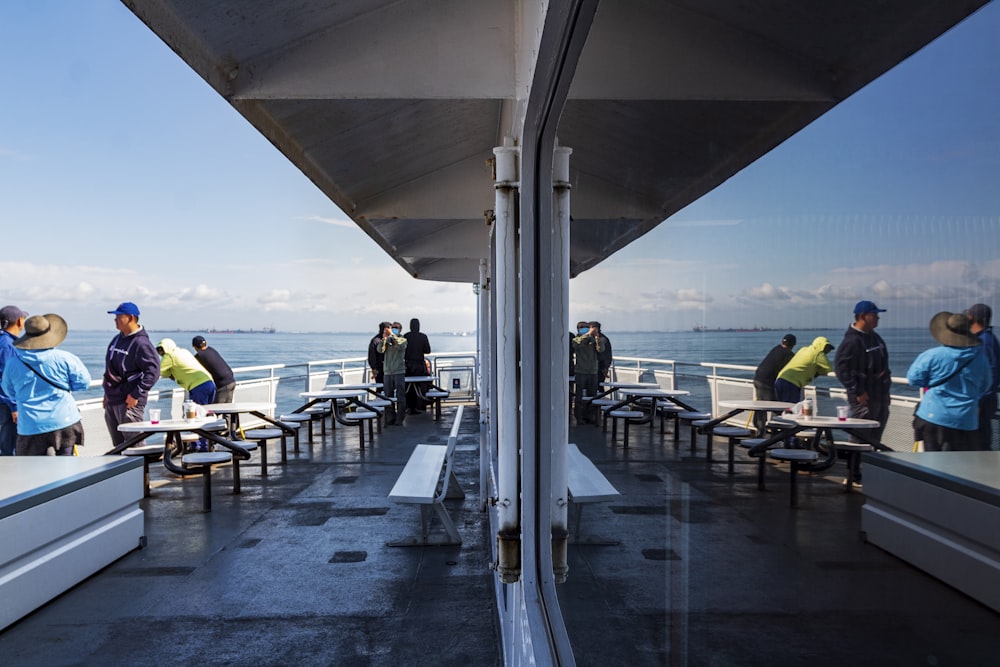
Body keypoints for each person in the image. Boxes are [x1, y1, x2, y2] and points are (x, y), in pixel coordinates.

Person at [1, 313, 91, 456]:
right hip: (64, 419)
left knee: (34, 472)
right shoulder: (65, 358)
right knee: (67, 468)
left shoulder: (13, 363)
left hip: (30, 425)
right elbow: (83, 383)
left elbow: (8, 391)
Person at [907, 312, 990, 452]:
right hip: (966, 419)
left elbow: (914, 379)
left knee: (932, 464)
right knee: (960, 466)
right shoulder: (980, 358)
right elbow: (985, 385)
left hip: (934, 415)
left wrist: (931, 381)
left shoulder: (932, 355)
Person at [835, 300, 892, 446]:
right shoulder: (852, 341)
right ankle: (855, 466)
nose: (878, 318)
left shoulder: (875, 338)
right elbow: (842, 368)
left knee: (875, 437)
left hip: (880, 395)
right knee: (861, 438)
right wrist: (858, 391)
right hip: (864, 398)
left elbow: (884, 365)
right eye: (874, 315)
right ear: (863, 316)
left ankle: (870, 466)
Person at [103, 302, 160, 448]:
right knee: (119, 445)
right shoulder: (117, 339)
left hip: (129, 401)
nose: (115, 320)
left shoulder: (141, 343)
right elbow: (110, 368)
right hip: (113, 399)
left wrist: (136, 394)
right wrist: (106, 394)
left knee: (134, 444)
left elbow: (153, 371)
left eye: (118, 316)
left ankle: (140, 469)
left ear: (130, 318)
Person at [966, 304, 999, 450]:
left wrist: (979, 401)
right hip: (983, 399)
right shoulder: (987, 338)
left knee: (978, 444)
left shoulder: (983, 341)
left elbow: (989, 373)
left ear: (971, 317)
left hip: (981, 401)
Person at [0, 305, 28, 456]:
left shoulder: (4, 341)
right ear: (18, 321)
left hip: (6, 402)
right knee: (9, 446)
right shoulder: (8, 345)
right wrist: (14, 406)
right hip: (8, 404)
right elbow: (5, 379)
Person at [773, 336, 834, 404]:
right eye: (827, 347)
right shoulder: (818, 354)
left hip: (780, 379)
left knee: (781, 408)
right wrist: (818, 371)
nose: (828, 350)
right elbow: (829, 368)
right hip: (791, 383)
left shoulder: (803, 349)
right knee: (791, 409)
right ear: (821, 346)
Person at [572, 321, 603, 425]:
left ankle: (590, 416)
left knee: (592, 396)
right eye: (583, 328)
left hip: (593, 371)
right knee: (579, 396)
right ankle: (579, 417)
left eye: (587, 327)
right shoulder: (576, 339)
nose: (586, 329)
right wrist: (587, 334)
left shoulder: (593, 339)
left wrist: (597, 339)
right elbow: (576, 345)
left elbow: (601, 349)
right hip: (581, 371)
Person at [377, 321, 408, 425]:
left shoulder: (403, 339)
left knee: (400, 395)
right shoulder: (388, 340)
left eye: (395, 328)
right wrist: (384, 339)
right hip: (387, 372)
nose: (393, 329)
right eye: (392, 327)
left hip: (398, 371)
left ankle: (400, 418)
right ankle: (390, 417)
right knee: (388, 396)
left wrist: (392, 335)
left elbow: (400, 344)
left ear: (400, 329)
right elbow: (380, 350)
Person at [192, 335, 236, 403]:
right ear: (205, 343)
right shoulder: (211, 350)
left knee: (216, 409)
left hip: (223, 384)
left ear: (195, 347)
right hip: (231, 380)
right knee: (228, 409)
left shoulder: (199, 356)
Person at [753, 334, 796, 401]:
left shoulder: (777, 348)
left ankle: (759, 412)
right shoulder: (788, 354)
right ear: (793, 345)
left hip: (757, 378)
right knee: (772, 405)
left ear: (782, 342)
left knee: (761, 406)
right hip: (766, 382)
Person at [404, 318, 432, 414]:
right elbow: (428, 350)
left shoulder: (406, 336)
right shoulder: (423, 336)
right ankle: (421, 405)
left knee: (409, 387)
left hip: (408, 365)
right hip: (420, 365)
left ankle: (409, 407)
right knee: (421, 385)